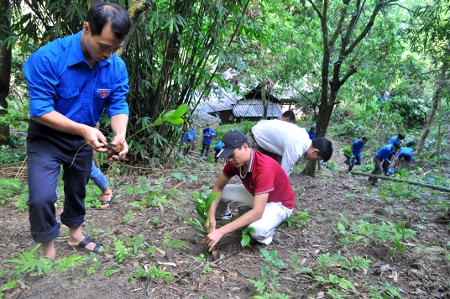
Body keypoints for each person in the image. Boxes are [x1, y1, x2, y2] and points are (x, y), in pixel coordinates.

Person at [23, 2, 131, 260]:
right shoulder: (48, 58)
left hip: (84, 141)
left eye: (115, 48)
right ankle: (47, 246)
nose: (108, 54)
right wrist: (83, 129)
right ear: (86, 28)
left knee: (77, 189)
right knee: (41, 197)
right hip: (47, 138)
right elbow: (40, 109)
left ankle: (75, 234)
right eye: (103, 46)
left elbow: (118, 103)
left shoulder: (115, 66)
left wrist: (119, 134)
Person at [204, 130, 295, 251]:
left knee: (256, 230)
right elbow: (218, 187)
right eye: (227, 156)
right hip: (257, 193)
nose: (229, 160)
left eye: (231, 155)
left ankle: (268, 231)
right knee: (216, 194)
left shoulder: (264, 168)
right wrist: (211, 216)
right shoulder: (234, 162)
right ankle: (223, 214)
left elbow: (257, 212)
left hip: (279, 203)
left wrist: (221, 232)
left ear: (245, 147)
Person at [247, 120, 333, 176]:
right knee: (255, 176)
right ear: (315, 151)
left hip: (264, 142)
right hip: (254, 140)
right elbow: (283, 174)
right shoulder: (297, 147)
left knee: (269, 174)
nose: (313, 160)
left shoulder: (304, 136)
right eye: (317, 158)